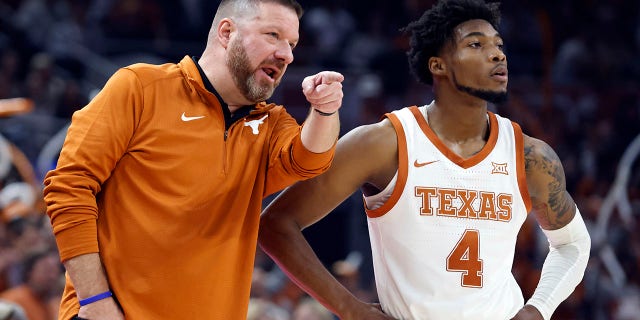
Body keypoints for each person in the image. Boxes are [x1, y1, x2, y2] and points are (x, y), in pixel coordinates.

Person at [258, 0, 591, 319]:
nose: (496, 55)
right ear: (438, 65)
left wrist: (539, 309)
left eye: (499, 45)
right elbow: (275, 225)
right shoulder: (385, 143)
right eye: (476, 45)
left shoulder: (530, 155)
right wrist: (350, 308)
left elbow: (573, 242)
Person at [42, 0, 345, 319]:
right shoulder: (140, 87)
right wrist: (94, 300)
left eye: (292, 44)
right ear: (227, 32)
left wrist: (325, 109)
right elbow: (69, 186)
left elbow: (311, 160)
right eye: (273, 35)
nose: (287, 54)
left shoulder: (271, 124)